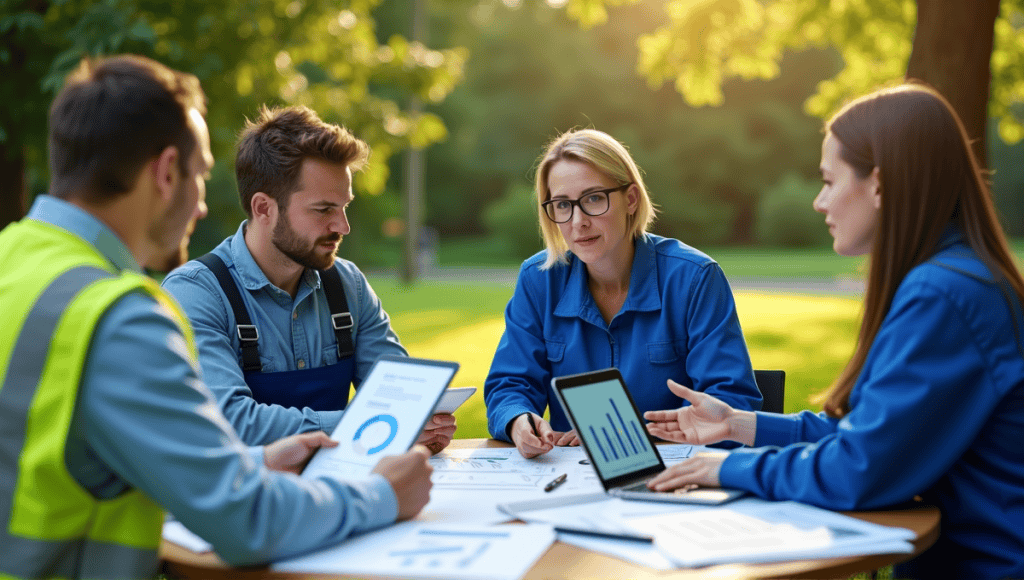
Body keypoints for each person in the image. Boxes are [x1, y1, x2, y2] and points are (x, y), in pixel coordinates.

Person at [0, 54, 434, 578]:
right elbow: (246, 522)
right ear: (165, 173)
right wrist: (382, 495)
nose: (202, 206)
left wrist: (252, 462)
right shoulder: (118, 316)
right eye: (201, 174)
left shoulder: (12, 257)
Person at [643, 84, 1024, 579]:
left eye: (828, 180)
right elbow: (868, 434)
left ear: (880, 184)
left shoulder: (943, 294)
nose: (820, 202)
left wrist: (726, 467)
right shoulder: (958, 277)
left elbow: (860, 468)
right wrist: (739, 425)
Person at [161, 105, 456, 453]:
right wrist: (365, 426)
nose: (342, 226)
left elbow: (400, 393)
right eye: (323, 210)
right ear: (263, 208)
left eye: (344, 206)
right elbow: (231, 422)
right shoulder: (196, 294)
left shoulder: (349, 285)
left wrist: (425, 423)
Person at [484, 128, 763, 459]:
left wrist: (627, 436)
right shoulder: (538, 279)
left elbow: (732, 404)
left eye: (593, 199)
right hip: (574, 478)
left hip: (677, 474)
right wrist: (518, 420)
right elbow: (509, 385)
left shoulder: (694, 278)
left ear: (630, 199)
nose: (578, 222)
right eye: (562, 205)